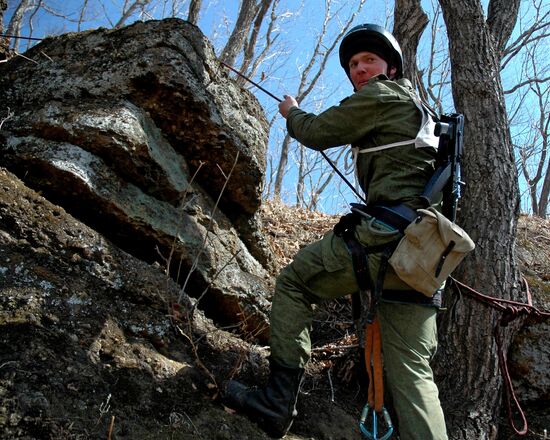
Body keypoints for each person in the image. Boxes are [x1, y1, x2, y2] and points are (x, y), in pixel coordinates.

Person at [223, 23, 448, 440]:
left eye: (369, 61)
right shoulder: (423, 116)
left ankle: (276, 402)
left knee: (294, 284)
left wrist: (292, 111)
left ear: (391, 69)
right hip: (421, 256)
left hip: (383, 241)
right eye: (353, 65)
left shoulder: (382, 95)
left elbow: (316, 132)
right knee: (414, 373)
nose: (360, 69)